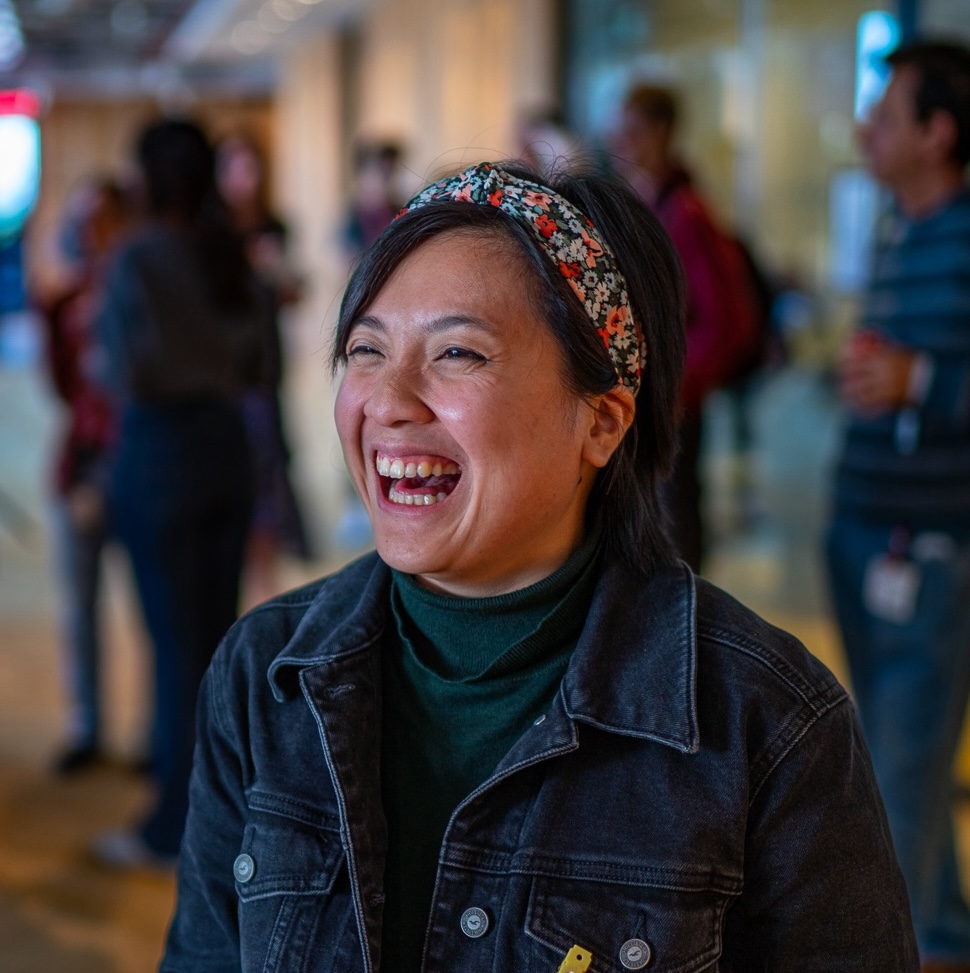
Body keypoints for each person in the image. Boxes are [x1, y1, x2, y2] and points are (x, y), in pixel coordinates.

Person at [161, 161, 916, 971]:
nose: (387, 400)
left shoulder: (766, 723)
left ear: (601, 422)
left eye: (457, 353)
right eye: (366, 348)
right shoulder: (265, 675)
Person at [824, 39, 970, 973]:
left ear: (939, 130)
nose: (866, 127)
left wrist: (921, 378)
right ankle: (943, 933)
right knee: (888, 753)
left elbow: (927, 378)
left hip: (935, 542)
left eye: (888, 111)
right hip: (861, 524)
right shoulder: (894, 228)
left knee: (900, 774)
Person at [93, 118, 265, 867]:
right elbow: (264, 364)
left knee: (174, 650)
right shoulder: (230, 252)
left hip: (159, 453)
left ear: (148, 177)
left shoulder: (137, 257)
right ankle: (213, 817)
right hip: (228, 449)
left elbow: (122, 371)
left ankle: (172, 828)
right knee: (214, 647)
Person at [616, 83, 758, 571]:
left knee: (673, 530)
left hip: (671, 401)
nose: (623, 143)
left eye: (634, 131)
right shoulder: (652, 204)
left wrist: (679, 384)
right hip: (648, 397)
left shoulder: (686, 212)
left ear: (662, 133)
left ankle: (685, 640)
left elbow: (728, 320)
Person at [36, 176, 129, 774]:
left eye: (99, 217)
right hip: (81, 459)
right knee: (79, 605)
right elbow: (66, 388)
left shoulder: (135, 296)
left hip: (132, 461)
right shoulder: (66, 302)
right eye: (79, 219)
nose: (87, 231)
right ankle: (86, 725)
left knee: (152, 608)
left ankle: (157, 737)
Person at [216, 131, 312, 606]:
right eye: (237, 167)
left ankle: (263, 587)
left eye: (253, 167)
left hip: (265, 371)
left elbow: (293, 294)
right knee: (236, 483)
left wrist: (277, 273)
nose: (247, 179)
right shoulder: (212, 236)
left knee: (270, 481)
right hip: (225, 379)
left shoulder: (273, 226)